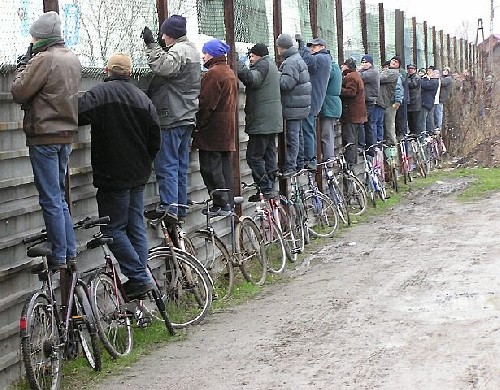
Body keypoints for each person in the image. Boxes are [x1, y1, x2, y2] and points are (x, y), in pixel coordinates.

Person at [78, 53, 161, 298]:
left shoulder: (99, 94)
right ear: (130, 73)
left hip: (112, 174)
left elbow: (77, 114)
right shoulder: (143, 99)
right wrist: (145, 161)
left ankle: (139, 277)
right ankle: (140, 280)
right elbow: (155, 137)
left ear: (107, 71)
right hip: (138, 174)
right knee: (135, 227)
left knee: (112, 229)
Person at [11, 11, 81, 271]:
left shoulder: (44, 59)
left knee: (50, 197)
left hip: (44, 136)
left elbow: (19, 91)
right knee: (60, 197)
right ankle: (69, 250)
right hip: (65, 135)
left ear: (41, 37)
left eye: (33, 36)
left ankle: (59, 253)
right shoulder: (71, 58)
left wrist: (22, 65)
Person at [141, 15, 201, 223]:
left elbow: (164, 68)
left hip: (172, 116)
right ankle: (180, 205)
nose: (162, 37)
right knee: (180, 165)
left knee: (167, 164)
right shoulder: (192, 50)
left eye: (164, 34)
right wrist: (161, 48)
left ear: (171, 34)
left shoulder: (180, 50)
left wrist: (150, 45)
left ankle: (169, 208)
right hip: (186, 116)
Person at [193, 39, 238, 216]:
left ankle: (220, 202)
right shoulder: (228, 72)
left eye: (204, 52)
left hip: (213, 131)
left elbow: (206, 104)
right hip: (227, 129)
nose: (202, 56)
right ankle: (229, 201)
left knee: (210, 168)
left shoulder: (214, 74)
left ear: (211, 54)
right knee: (224, 167)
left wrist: (198, 125)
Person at [237, 43, 283, 201]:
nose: (250, 59)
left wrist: (237, 64)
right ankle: (270, 187)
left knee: (253, 156)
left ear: (257, 55)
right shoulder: (272, 65)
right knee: (269, 155)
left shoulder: (262, 65)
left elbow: (253, 80)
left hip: (262, 122)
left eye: (251, 56)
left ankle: (265, 187)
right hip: (271, 121)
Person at [276, 33, 311, 177]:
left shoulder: (290, 62)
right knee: (299, 135)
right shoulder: (297, 58)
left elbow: (286, 84)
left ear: (281, 47)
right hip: (300, 104)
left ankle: (291, 166)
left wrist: (276, 75)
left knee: (293, 137)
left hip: (293, 105)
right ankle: (299, 163)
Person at [295, 36, 331, 170]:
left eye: (314, 46)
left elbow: (308, 60)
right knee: (309, 129)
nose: (312, 49)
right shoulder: (325, 59)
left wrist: (302, 45)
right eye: (311, 46)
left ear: (322, 47)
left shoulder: (321, 58)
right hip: (315, 99)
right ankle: (310, 158)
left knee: (308, 129)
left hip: (312, 100)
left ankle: (310, 159)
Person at [340, 58, 367, 168]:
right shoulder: (356, 75)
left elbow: (351, 92)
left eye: (344, 65)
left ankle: (350, 163)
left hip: (352, 113)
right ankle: (353, 161)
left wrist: (339, 89)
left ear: (347, 66)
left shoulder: (350, 76)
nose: (342, 66)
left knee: (349, 138)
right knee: (354, 138)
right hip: (358, 113)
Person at [318, 56, 342, 163]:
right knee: (329, 133)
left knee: (326, 134)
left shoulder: (330, 68)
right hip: (333, 105)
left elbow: (322, 82)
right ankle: (330, 157)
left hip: (329, 105)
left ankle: (329, 159)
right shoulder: (336, 67)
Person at [373, 59, 399, 145]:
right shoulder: (388, 71)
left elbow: (379, 78)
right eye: (393, 61)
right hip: (384, 101)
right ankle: (382, 143)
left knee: (388, 124)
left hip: (386, 102)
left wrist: (397, 101)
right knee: (381, 123)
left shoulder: (394, 73)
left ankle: (391, 143)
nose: (393, 62)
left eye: (396, 62)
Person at [358, 54, 380, 155]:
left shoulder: (373, 72)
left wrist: (357, 70)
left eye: (366, 62)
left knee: (364, 122)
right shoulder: (367, 71)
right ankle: (369, 147)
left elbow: (361, 77)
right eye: (362, 62)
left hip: (369, 100)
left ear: (371, 63)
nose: (364, 64)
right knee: (368, 123)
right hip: (365, 100)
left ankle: (365, 146)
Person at [406, 64, 422, 136]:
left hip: (415, 102)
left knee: (415, 119)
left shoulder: (416, 77)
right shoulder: (408, 76)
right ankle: (412, 132)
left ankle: (416, 133)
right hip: (410, 101)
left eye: (412, 68)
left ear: (415, 69)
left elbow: (413, 85)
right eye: (409, 68)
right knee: (410, 119)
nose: (410, 70)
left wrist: (405, 81)